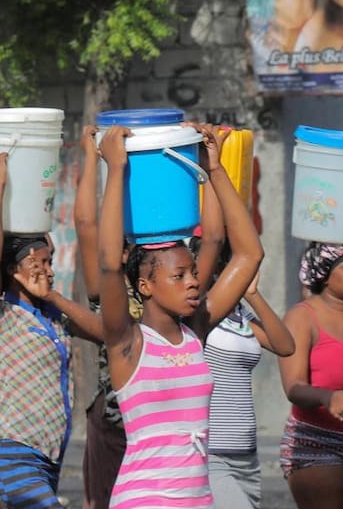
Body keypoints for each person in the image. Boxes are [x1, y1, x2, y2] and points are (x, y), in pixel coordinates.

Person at [96, 123, 264, 509]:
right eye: (179, 275)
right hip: (144, 499)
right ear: (146, 285)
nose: (193, 282)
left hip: (198, 501)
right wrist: (116, 171)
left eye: (193, 273)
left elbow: (249, 255)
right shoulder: (128, 341)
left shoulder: (195, 332)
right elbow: (107, 265)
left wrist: (214, 171)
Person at [0, 145, 104, 509]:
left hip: (49, 458)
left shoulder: (54, 316)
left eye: (50, 262)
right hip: (13, 453)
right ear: (13, 270)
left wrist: (54, 297)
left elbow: (106, 334)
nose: (47, 269)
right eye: (37, 263)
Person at [193, 170, 295, 509]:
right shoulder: (198, 317)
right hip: (211, 455)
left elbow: (285, 346)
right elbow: (214, 240)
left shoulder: (238, 314)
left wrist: (252, 295)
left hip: (246, 457)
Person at [74, 125, 143, 509]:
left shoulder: (167, 287)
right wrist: (90, 155)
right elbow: (85, 225)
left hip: (161, 429)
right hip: (116, 428)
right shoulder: (109, 294)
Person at [276, 241, 343, 509]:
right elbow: (293, 387)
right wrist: (326, 397)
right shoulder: (302, 318)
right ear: (324, 275)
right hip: (318, 442)